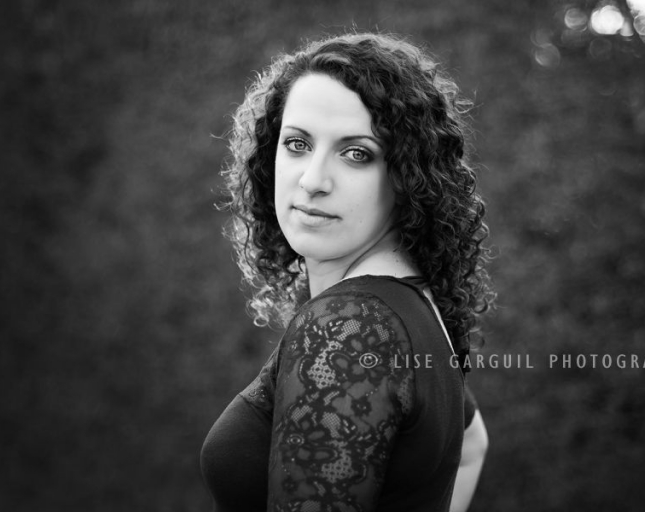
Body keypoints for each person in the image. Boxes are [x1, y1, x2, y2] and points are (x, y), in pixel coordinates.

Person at [201, 32, 492, 512]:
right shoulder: (407, 309)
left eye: (356, 153)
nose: (313, 180)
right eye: (297, 144)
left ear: (407, 175)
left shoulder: (351, 329)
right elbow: (473, 446)